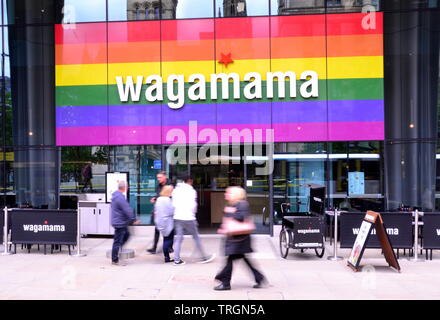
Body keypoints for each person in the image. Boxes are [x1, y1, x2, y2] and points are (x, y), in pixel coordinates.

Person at [214, 186, 267, 290]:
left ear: (236, 195)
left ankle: (225, 282)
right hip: (237, 238)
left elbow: (241, 217)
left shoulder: (242, 204)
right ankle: (259, 278)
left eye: (229, 193)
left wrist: (229, 212)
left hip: (239, 238)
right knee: (241, 259)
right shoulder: (234, 204)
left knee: (230, 259)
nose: (226, 194)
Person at [172, 175, 215, 266]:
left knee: (179, 238)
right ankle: (204, 257)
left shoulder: (175, 190)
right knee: (196, 237)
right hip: (188, 217)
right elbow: (193, 206)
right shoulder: (191, 191)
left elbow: (173, 204)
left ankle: (176, 260)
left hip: (177, 217)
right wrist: (193, 213)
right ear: (190, 181)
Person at [111, 180, 140, 266]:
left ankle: (118, 250)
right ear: (125, 187)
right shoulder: (120, 197)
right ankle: (115, 259)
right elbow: (127, 209)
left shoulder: (116, 195)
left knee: (126, 235)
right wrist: (133, 219)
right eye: (127, 186)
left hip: (119, 221)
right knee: (118, 241)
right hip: (120, 222)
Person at [147, 171, 172, 254]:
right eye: (158, 178)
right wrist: (155, 198)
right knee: (157, 229)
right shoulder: (158, 186)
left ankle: (169, 247)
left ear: (165, 177)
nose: (158, 179)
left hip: (168, 210)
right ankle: (154, 248)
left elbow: (171, 196)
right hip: (161, 210)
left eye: (160, 177)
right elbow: (159, 195)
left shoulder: (170, 184)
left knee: (169, 230)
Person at [154, 185, 175, 263]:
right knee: (169, 239)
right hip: (167, 222)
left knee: (165, 239)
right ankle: (167, 257)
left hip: (160, 222)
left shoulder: (159, 199)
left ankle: (167, 257)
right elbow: (171, 211)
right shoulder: (167, 200)